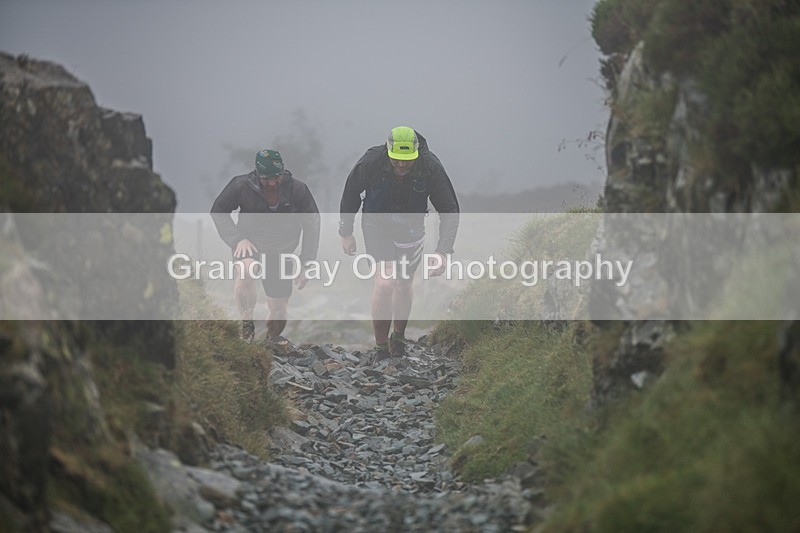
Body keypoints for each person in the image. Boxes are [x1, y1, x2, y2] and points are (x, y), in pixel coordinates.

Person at [339, 126, 459, 358]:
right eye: (397, 160)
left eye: (407, 161)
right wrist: (346, 232)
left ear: (415, 153)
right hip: (377, 225)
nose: (402, 165)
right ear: (388, 150)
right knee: (385, 284)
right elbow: (350, 193)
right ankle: (381, 346)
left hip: (411, 229)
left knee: (404, 284)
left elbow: (449, 209)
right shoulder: (371, 161)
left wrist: (443, 251)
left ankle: (399, 336)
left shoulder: (430, 166)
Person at [211, 149, 320, 343]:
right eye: (266, 179)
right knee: (246, 270)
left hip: (282, 251)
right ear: (257, 174)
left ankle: (271, 342)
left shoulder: (298, 190)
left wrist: (306, 262)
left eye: (276, 177)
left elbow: (312, 224)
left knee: (278, 309)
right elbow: (218, 210)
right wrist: (237, 239)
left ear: (283, 171)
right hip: (249, 245)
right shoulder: (240, 185)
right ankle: (247, 327)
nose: (272, 183)